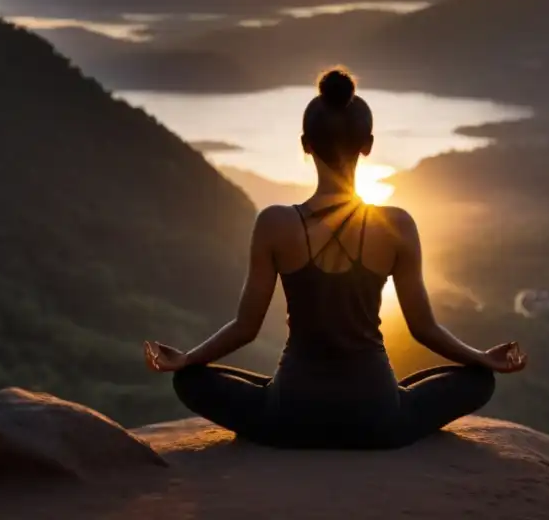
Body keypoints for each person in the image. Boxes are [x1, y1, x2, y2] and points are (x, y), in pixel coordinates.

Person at [143, 67, 526, 449]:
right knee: (479, 381)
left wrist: (187, 359)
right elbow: (423, 328)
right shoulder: (397, 225)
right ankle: (392, 396)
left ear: (305, 145)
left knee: (189, 380)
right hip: (376, 417)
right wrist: (481, 358)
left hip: (292, 415)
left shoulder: (274, 223)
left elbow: (246, 327)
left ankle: (292, 397)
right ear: (368, 145)